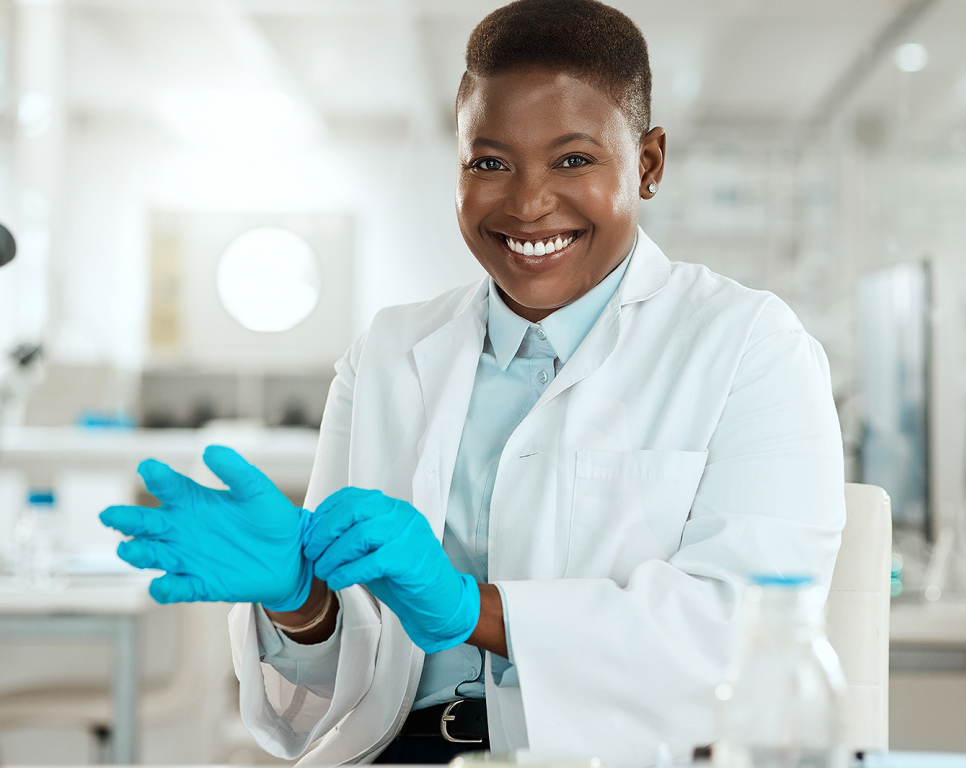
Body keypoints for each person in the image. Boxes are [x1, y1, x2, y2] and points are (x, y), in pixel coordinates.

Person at [101, 1, 845, 766]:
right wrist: (302, 605)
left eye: (573, 160)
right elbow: (326, 699)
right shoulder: (389, 353)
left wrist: (473, 611)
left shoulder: (749, 345)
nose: (527, 204)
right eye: (489, 163)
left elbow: (744, 637)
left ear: (649, 164)